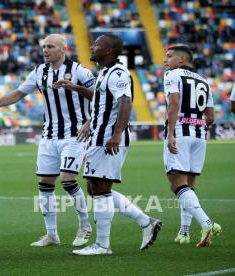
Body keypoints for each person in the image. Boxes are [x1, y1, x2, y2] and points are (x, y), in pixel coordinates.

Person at [0, 34, 94, 247]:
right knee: (45, 183)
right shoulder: (39, 71)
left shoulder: (80, 70)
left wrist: (90, 121)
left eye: (50, 46)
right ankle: (51, 234)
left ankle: (85, 225)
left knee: (68, 179)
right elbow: (18, 93)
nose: (45, 50)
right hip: (48, 136)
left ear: (63, 49)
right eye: (44, 46)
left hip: (74, 134)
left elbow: (99, 96)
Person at [73, 34, 162, 256]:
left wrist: (118, 132)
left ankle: (103, 245)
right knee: (94, 187)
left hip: (108, 138)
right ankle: (146, 222)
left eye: (97, 45)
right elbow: (102, 103)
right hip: (98, 136)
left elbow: (125, 101)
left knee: (101, 189)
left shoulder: (118, 73)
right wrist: (89, 121)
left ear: (109, 50)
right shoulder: (103, 73)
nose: (92, 48)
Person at [162, 44, 221, 247]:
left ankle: (207, 223)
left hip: (179, 132)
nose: (165, 60)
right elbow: (211, 116)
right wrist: (196, 126)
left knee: (176, 183)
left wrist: (170, 133)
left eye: (169, 56)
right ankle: (184, 232)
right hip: (199, 135)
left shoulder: (172, 75)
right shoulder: (204, 81)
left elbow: (174, 104)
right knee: (188, 186)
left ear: (182, 60)